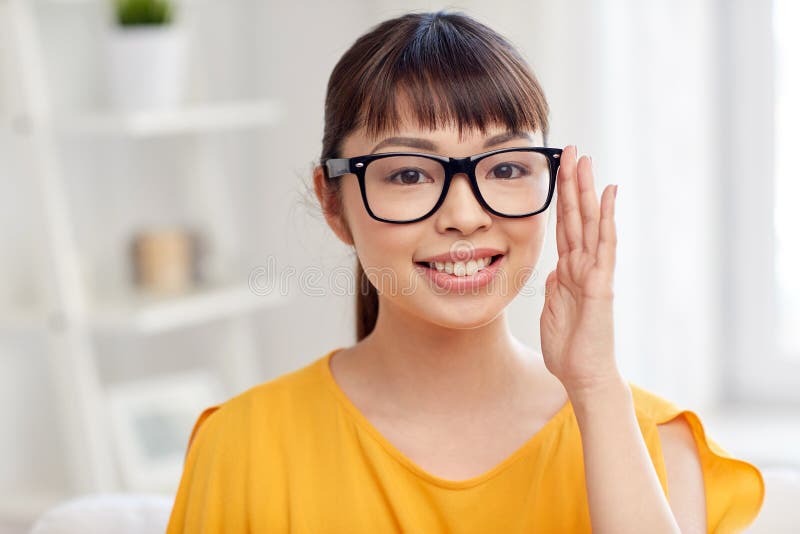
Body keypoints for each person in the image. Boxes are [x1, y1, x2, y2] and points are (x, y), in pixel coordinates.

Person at [167, 10, 763, 533]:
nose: (465, 216)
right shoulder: (241, 448)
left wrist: (596, 387)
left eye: (505, 168)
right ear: (333, 202)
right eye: (408, 174)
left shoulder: (654, 441)